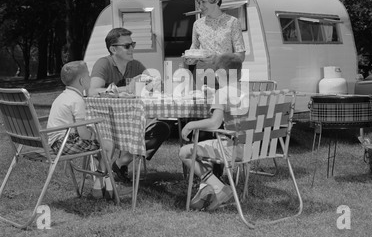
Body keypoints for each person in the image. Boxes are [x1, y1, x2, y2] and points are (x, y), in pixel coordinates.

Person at [89, 27, 171, 183]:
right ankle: (108, 171)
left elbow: (152, 83)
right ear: (113, 49)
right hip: (108, 126)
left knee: (163, 129)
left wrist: (154, 84)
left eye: (132, 44)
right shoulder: (104, 64)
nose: (132, 48)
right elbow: (93, 90)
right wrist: (126, 89)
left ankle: (120, 163)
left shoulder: (136, 65)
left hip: (132, 123)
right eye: (127, 46)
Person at [47, 61, 131, 199]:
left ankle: (104, 187)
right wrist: (93, 135)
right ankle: (100, 185)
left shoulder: (62, 96)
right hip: (65, 144)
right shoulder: (77, 100)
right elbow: (83, 134)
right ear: (82, 81)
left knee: (100, 147)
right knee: (109, 145)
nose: (91, 78)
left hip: (55, 143)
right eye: (89, 75)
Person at [179, 53, 249, 211]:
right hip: (253, 148)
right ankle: (211, 189)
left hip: (233, 149)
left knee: (185, 153)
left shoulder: (222, 93)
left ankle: (218, 187)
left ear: (217, 74)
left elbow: (214, 123)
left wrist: (190, 124)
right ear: (241, 73)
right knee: (205, 151)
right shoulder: (245, 92)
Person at [185, 0, 246, 90]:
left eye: (203, 1)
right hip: (202, 77)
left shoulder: (232, 22)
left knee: (223, 106)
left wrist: (218, 57)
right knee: (201, 106)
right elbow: (194, 49)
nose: (200, 6)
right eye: (198, 2)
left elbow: (240, 57)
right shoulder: (197, 24)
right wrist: (190, 59)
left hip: (226, 77)